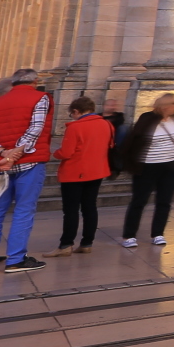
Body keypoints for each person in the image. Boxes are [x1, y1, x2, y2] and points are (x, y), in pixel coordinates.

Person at [0, 68, 55, 272]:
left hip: (0, 165)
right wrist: (15, 153)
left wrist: (3, 152)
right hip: (29, 161)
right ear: (35, 81)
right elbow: (36, 128)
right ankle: (15, 259)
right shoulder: (40, 97)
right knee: (23, 211)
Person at [118, 93, 174, 248]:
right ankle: (129, 235)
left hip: (170, 166)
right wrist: (128, 162)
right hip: (148, 166)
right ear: (165, 105)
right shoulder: (147, 119)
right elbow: (133, 140)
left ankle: (158, 233)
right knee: (139, 201)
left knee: (164, 201)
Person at [48, 96, 113, 255]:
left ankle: (66, 245)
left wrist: (54, 153)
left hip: (75, 172)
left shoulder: (75, 127)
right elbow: (110, 145)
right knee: (90, 207)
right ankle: (87, 243)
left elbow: (66, 152)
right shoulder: (107, 124)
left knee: (71, 210)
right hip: (97, 171)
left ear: (76, 111)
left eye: (72, 114)